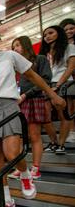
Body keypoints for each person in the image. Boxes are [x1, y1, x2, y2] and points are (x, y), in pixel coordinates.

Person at [0, 23, 65, 207]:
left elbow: (32, 76)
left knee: (12, 154)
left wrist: (52, 94)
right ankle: (7, 202)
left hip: (9, 106)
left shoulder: (9, 56)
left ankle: (26, 175)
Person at [9, 36, 53, 180]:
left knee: (34, 135)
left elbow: (45, 80)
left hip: (34, 99)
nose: (15, 49)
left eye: (17, 45)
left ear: (26, 45)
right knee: (20, 138)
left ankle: (36, 168)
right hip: (19, 102)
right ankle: (22, 169)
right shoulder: (14, 66)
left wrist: (26, 94)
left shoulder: (40, 59)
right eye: (13, 46)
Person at [39, 25, 75, 154]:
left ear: (58, 33)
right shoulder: (44, 53)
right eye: (45, 35)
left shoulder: (69, 47)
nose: (47, 36)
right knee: (45, 116)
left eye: (50, 33)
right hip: (47, 85)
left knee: (63, 115)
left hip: (64, 83)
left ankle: (61, 144)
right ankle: (54, 142)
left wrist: (58, 85)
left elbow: (70, 68)